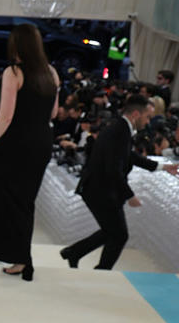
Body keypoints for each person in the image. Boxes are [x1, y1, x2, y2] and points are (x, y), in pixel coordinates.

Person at [0, 23, 59, 281]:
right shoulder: (52, 73)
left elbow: (5, 117)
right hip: (41, 144)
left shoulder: (13, 72)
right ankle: (22, 261)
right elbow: (53, 113)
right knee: (24, 203)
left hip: (15, 144)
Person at [62, 95, 179, 269]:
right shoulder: (119, 131)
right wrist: (130, 195)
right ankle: (100, 269)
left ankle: (74, 253)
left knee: (112, 231)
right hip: (99, 190)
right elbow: (113, 169)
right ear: (136, 114)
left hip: (100, 189)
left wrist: (162, 167)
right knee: (118, 234)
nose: (148, 122)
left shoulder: (121, 128)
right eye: (147, 117)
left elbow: (129, 157)